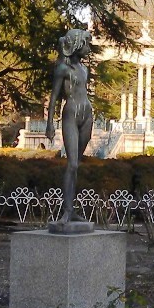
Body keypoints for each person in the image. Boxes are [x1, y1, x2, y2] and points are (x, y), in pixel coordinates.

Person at [46, 28, 93, 224]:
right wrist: (50, 123)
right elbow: (54, 97)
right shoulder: (63, 69)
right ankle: (67, 210)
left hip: (87, 114)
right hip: (71, 115)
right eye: (86, 44)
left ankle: (71, 209)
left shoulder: (84, 69)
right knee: (72, 164)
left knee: (77, 165)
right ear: (76, 46)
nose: (89, 48)